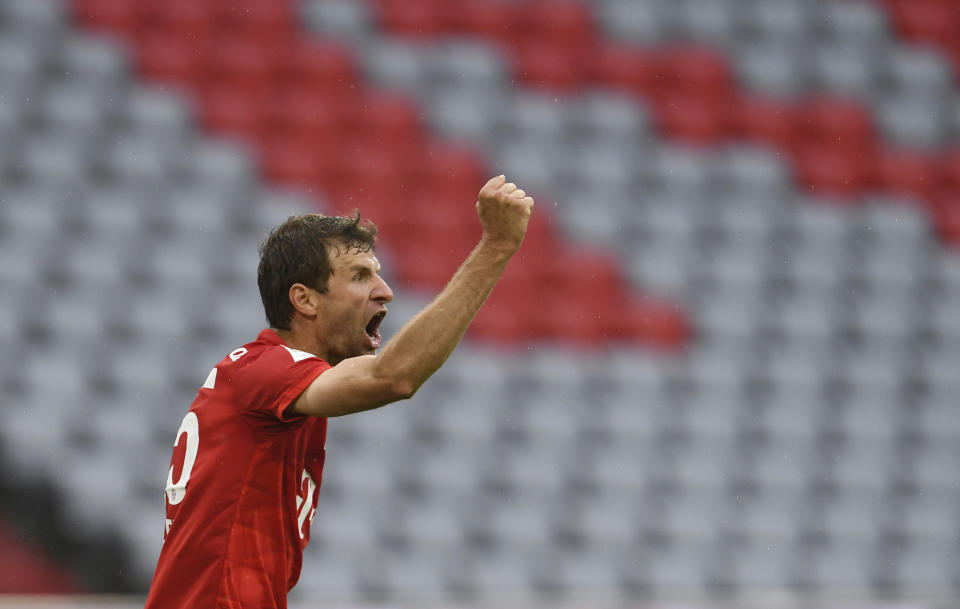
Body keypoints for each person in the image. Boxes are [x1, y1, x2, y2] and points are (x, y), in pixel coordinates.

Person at [144, 175, 534, 609]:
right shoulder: (265, 369)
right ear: (305, 300)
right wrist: (496, 247)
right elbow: (393, 378)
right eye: (360, 276)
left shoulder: (271, 382)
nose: (385, 291)